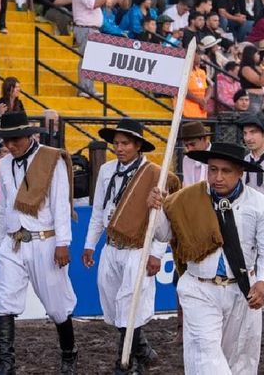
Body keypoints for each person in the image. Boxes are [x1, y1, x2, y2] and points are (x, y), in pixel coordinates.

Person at [147, 142, 264, 375]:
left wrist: (263, 281)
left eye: (226, 171)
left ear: (240, 173)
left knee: (239, 358)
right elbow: (164, 234)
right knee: (205, 352)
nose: (218, 177)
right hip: (199, 288)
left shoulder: (260, 204)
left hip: (242, 290)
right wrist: (156, 210)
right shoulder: (186, 199)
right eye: (212, 170)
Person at [0, 112, 78, 374]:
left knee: (57, 306)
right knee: (5, 302)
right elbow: (5, 206)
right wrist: (2, 239)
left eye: (14, 139)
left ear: (29, 135)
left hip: (45, 240)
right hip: (13, 241)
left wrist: (63, 242)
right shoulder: (4, 164)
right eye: (5, 140)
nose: (10, 145)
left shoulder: (51, 160)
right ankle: (6, 365)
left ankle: (69, 353)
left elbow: (61, 203)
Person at [83, 119, 177, 372]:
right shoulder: (106, 170)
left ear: (138, 146)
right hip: (112, 244)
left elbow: (162, 220)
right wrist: (90, 243)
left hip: (138, 247)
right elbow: (99, 209)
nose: (119, 148)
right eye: (116, 143)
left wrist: (156, 253)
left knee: (130, 303)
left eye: (125, 143)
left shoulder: (155, 174)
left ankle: (126, 361)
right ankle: (142, 348)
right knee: (113, 302)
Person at [72, 0, 125, 98]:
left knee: (90, 59)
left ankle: (89, 88)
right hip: (86, 28)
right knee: (86, 59)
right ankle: (84, 89)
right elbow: (94, 4)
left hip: (91, 29)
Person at [178, 121, 212, 187]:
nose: (190, 149)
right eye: (186, 146)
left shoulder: (218, 158)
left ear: (204, 139)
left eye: (192, 144)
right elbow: (187, 186)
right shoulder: (187, 159)